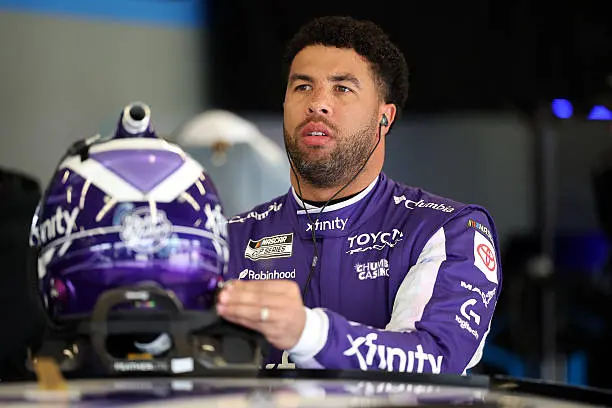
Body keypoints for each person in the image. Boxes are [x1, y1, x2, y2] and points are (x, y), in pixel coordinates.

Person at [217, 16, 502, 374]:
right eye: (302, 86)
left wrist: (307, 333)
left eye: (342, 88)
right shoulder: (227, 238)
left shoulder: (448, 230)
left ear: (385, 118)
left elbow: (436, 358)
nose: (317, 104)